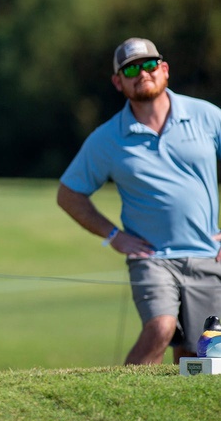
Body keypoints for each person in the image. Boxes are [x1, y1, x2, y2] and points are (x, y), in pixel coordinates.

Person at [57, 37, 221, 365]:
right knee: (160, 327)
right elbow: (69, 194)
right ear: (118, 82)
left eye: (148, 65)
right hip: (152, 258)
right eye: (130, 69)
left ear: (164, 70)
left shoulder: (207, 116)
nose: (141, 73)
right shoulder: (107, 138)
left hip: (207, 256)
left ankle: (168, 414)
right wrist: (114, 236)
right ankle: (114, 404)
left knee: (201, 356)